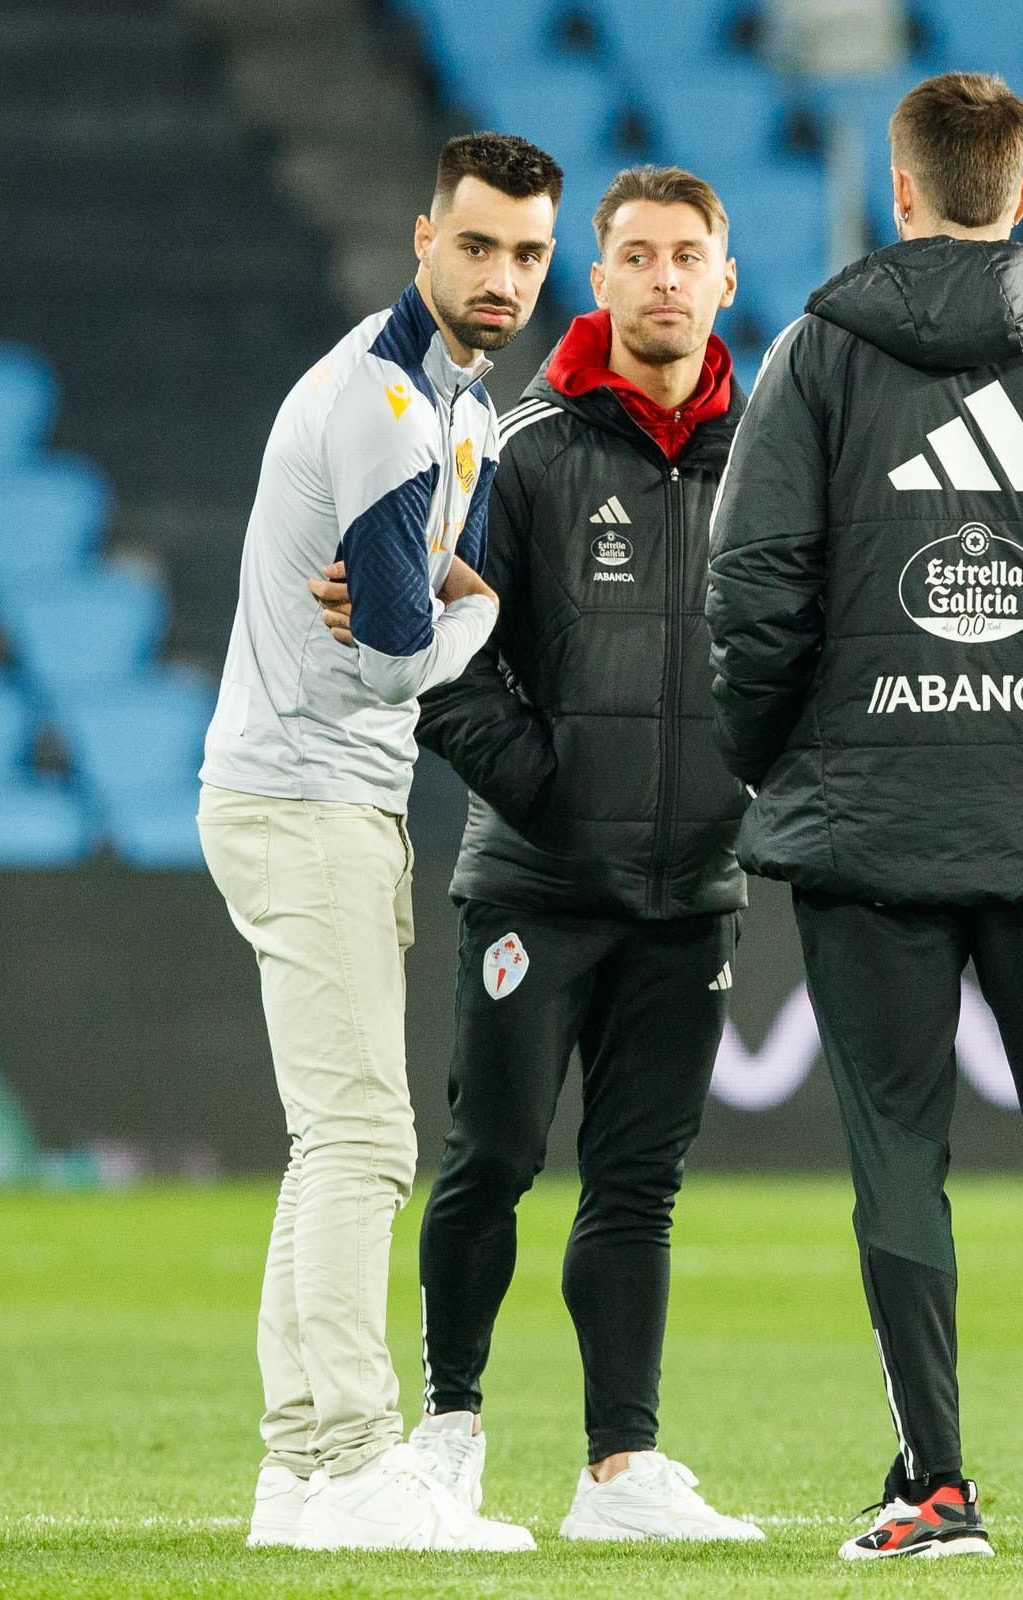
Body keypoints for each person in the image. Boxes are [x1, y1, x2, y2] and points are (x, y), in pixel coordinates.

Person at [706, 70, 1023, 1561]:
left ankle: (933, 1489)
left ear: (905, 189)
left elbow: (751, 594)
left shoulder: (813, 359)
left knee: (896, 1158)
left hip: (865, 829)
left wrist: (778, 761)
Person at [314, 166, 763, 1542]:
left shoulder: (771, 465)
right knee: (493, 1159)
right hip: (538, 884)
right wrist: (556, 795)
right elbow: (436, 662)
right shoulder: (525, 450)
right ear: (601, 276)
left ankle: (619, 1469)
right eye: (637, 255)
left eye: (689, 256)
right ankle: (449, 1431)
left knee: (639, 1183)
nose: (665, 279)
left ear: (725, 281)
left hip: (692, 893)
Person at [195, 132, 558, 1553]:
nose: (504, 277)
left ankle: (300, 1471)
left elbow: (415, 605)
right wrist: (463, 613)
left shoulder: (445, 403)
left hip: (309, 792)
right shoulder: (394, 409)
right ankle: (350, 1464)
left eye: (529, 253)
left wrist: (438, 601)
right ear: (422, 241)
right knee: (365, 1138)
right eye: (477, 246)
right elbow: (408, 646)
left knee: (328, 1140)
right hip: (312, 796)